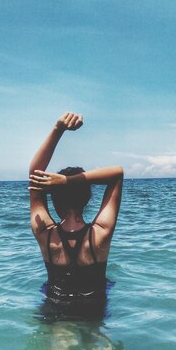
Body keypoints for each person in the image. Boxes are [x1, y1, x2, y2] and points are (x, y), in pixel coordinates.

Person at [28, 112, 123, 318]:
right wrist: (68, 181)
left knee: (58, 346)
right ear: (87, 198)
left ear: (54, 199)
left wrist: (58, 129)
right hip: (93, 310)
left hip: (54, 308)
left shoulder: (45, 234)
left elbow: (34, 173)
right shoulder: (100, 233)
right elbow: (117, 173)